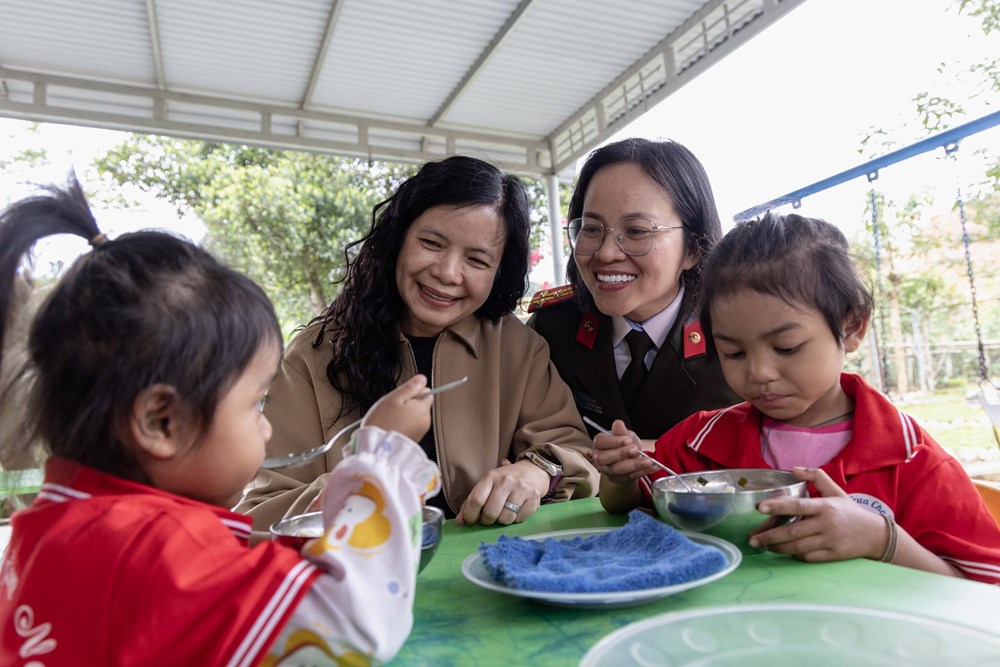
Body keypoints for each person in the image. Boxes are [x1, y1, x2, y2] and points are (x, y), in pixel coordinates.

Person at [0, 179, 445, 665]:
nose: (267, 427)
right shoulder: (162, 548)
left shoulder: (45, 528)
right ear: (161, 422)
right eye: (255, 404)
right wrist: (380, 458)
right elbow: (351, 631)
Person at [594, 211, 1000, 583]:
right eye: (733, 352)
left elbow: (983, 586)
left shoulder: (911, 459)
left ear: (853, 325)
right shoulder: (702, 443)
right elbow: (629, 506)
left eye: (787, 347)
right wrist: (618, 476)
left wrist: (883, 540)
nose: (759, 373)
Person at [236, 155, 597, 535]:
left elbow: (577, 453)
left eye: (477, 260)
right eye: (431, 243)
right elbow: (260, 512)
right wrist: (364, 477)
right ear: (397, 239)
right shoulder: (313, 356)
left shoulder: (518, 348)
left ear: (499, 271)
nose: (447, 272)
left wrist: (539, 472)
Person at [527, 138, 738, 442]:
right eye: (590, 228)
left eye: (637, 231)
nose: (606, 253)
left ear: (693, 248)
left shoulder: (731, 336)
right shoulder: (551, 332)